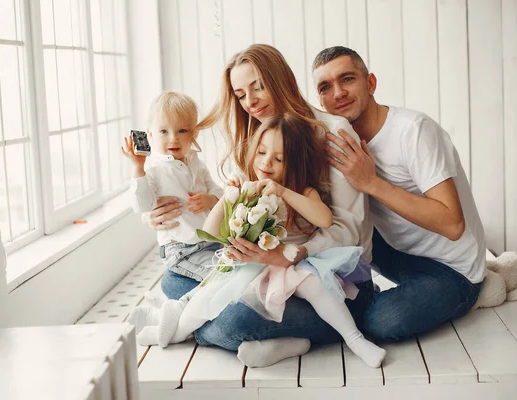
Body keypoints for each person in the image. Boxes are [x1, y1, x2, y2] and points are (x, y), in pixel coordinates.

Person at [140, 44, 376, 368]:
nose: (249, 101)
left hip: (328, 279)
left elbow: (348, 227)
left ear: (280, 80)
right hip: (270, 273)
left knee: (233, 320)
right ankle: (275, 339)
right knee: (174, 279)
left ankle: (197, 327)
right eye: (240, 94)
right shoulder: (258, 138)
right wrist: (160, 212)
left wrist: (291, 255)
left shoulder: (332, 132)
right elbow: (235, 207)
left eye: (258, 86)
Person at [311, 46, 485, 341]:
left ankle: (478, 289)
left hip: (452, 269)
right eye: (326, 87)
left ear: (371, 83)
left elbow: (453, 225)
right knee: (329, 243)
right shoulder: (337, 139)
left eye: (347, 79)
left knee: (382, 322)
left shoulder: (414, 130)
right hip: (395, 252)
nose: (338, 93)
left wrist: (371, 182)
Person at [120, 92, 223, 332]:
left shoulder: (196, 162)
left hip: (209, 242)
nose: (173, 139)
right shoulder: (153, 167)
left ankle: (169, 306)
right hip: (181, 247)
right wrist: (138, 168)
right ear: (151, 134)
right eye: (164, 131)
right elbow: (142, 204)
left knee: (232, 269)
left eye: (182, 131)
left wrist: (209, 199)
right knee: (218, 279)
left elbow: (219, 193)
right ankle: (171, 314)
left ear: (194, 133)